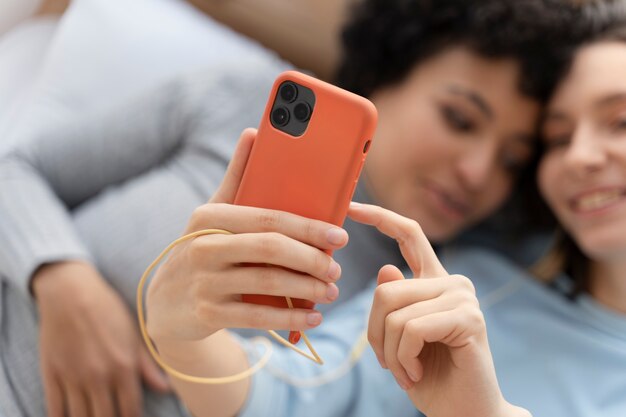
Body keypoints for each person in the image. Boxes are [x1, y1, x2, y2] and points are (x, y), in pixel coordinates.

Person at [0, 0, 577, 416]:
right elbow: (14, 169)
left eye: (511, 160)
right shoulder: (243, 102)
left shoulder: (421, 307)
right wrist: (60, 281)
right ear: (385, 73)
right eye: (459, 119)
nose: (477, 172)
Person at [147, 1, 626, 416]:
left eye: (620, 121)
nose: (580, 155)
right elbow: (281, 399)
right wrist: (177, 331)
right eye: (559, 138)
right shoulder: (474, 292)